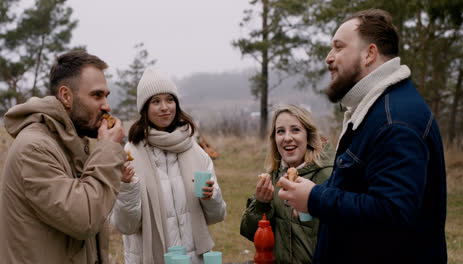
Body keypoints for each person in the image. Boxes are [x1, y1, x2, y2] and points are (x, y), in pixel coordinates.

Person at [277, 9, 447, 264]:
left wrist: (316, 198)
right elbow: (361, 185)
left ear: (369, 54)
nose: (328, 58)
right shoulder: (376, 109)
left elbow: (392, 212)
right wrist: (313, 192)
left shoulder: (396, 121)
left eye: (338, 47)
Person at [0, 50, 126, 263]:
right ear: (66, 96)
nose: (106, 106)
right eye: (97, 95)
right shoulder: (33, 149)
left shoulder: (70, 145)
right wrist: (107, 149)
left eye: (106, 95)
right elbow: (86, 218)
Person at [110, 67, 226, 264]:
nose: (165, 107)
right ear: (144, 108)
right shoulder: (129, 155)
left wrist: (211, 196)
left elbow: (217, 215)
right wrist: (127, 187)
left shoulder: (195, 151)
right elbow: (125, 226)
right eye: (156, 101)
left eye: (169, 100)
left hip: (194, 259)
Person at [240, 105, 335, 263]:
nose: (287, 138)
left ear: (308, 135)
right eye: (280, 131)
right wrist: (261, 205)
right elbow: (250, 233)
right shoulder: (273, 176)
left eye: (295, 130)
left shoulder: (328, 176)